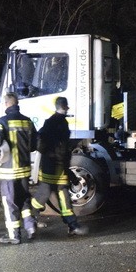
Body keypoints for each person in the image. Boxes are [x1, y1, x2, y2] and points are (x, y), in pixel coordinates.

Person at [0, 92, 38, 244]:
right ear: (16, 104)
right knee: (24, 199)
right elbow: (34, 145)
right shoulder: (28, 122)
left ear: (6, 104)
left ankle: (14, 235)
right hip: (25, 170)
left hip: (8, 172)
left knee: (10, 203)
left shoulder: (1, 122)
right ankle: (30, 226)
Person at [30, 96, 88, 236]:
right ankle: (30, 220)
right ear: (65, 107)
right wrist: (54, 155)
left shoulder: (52, 122)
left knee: (60, 195)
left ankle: (72, 225)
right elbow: (47, 144)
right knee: (46, 194)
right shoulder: (57, 123)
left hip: (55, 165)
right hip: (54, 165)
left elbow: (42, 142)